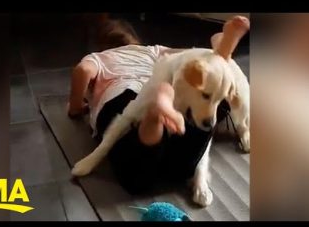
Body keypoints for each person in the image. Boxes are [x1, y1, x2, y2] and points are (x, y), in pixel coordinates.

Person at [67, 19, 230, 194]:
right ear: (134, 39)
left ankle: (154, 117)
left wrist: (75, 106)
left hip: (122, 97)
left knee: (137, 179)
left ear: (102, 44)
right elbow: (194, 56)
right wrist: (217, 52)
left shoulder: (99, 57)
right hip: (153, 93)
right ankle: (176, 103)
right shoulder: (153, 50)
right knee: (182, 169)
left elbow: (82, 71)